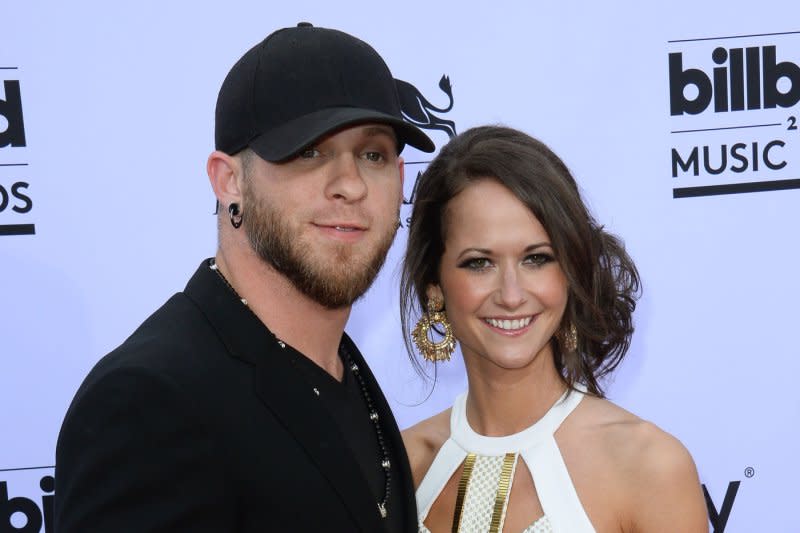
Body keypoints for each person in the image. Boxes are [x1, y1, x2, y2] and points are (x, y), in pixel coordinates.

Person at [54, 23, 435, 532]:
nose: (350, 185)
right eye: (309, 151)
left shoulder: (344, 371)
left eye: (373, 155)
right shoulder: (151, 401)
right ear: (228, 180)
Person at [400, 126, 709, 532]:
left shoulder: (648, 466)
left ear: (570, 271)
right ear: (435, 286)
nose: (511, 295)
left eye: (537, 259)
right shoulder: (401, 469)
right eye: (479, 262)